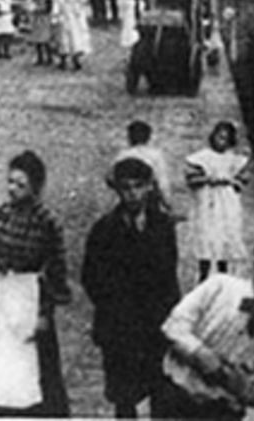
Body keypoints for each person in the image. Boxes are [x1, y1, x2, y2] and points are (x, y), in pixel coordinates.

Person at [155, 234, 254, 419]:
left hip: (222, 412)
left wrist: (240, 385)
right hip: (177, 399)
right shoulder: (220, 287)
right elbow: (173, 327)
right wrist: (202, 355)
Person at [0, 151, 71, 417]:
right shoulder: (0, 213)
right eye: (10, 182)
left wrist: (45, 312)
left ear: (35, 187)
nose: (13, 189)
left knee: (29, 364)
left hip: (28, 293)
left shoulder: (47, 221)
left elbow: (56, 268)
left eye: (20, 184)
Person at [82, 158, 181, 420]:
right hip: (119, 327)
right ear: (117, 189)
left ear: (149, 187)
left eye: (138, 186)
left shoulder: (162, 226)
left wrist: (173, 318)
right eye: (125, 187)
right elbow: (91, 278)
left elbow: (169, 274)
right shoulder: (104, 230)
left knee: (161, 392)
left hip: (155, 324)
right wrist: (115, 307)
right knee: (123, 397)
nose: (132, 194)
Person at [183, 121, 248, 281]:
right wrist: (208, 179)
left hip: (227, 203)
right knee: (206, 235)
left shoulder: (234, 159)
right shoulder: (202, 157)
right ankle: (203, 274)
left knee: (224, 235)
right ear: (213, 137)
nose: (222, 141)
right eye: (219, 137)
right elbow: (191, 180)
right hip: (207, 201)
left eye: (226, 138)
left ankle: (222, 274)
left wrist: (232, 181)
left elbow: (243, 180)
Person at [117, 120, 176, 215]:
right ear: (148, 137)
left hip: (127, 199)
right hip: (149, 199)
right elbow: (162, 182)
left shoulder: (122, 155)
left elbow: (109, 178)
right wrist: (167, 203)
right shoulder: (155, 155)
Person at [54, 0, 92, 72]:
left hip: (66, 22)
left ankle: (66, 62)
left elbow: (56, 11)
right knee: (72, 41)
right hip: (72, 22)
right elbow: (79, 11)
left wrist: (56, 20)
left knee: (65, 41)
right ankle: (74, 61)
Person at [26, 0, 55, 67]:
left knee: (45, 40)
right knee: (37, 41)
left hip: (44, 20)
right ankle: (40, 58)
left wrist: (38, 10)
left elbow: (48, 10)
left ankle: (49, 58)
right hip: (36, 21)